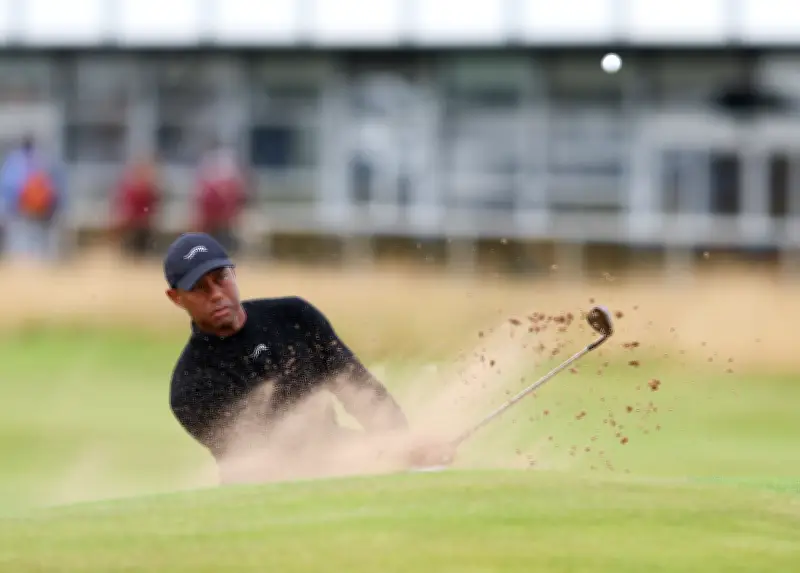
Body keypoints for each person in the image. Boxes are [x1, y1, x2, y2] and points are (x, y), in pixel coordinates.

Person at [164, 232, 453, 483]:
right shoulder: (190, 386)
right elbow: (268, 458)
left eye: (221, 278)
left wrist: (404, 445)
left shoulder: (294, 318)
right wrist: (380, 454)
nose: (216, 294)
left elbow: (360, 391)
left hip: (339, 453)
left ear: (234, 273)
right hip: (264, 493)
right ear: (176, 298)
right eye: (200, 288)